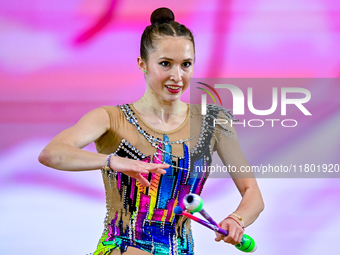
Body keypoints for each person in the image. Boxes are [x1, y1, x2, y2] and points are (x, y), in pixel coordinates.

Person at [38, 7, 264, 255]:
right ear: (142, 64)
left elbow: (253, 194)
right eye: (165, 64)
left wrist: (237, 219)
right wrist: (114, 161)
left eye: (186, 65)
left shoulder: (214, 121)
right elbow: (52, 154)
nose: (177, 76)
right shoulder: (110, 118)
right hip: (124, 247)